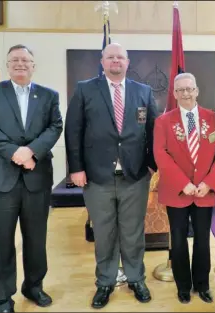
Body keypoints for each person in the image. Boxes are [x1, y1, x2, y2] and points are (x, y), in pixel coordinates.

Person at [64, 42, 158, 309]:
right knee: (104, 233)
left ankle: (135, 278)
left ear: (128, 62)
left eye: (120, 57)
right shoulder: (85, 89)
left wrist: (152, 164)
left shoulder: (144, 91)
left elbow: (152, 129)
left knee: (133, 232)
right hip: (96, 176)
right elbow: (74, 130)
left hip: (135, 175)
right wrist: (76, 168)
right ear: (102, 62)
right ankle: (105, 281)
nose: (115, 61)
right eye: (110, 57)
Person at [0, 44, 63, 313]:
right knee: (0, 241)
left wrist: (32, 151)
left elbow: (55, 126)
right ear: (8, 64)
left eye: (26, 60)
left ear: (34, 65)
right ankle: (2, 297)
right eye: (15, 59)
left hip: (36, 178)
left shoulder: (48, 95)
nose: (20, 63)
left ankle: (33, 286)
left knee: (36, 238)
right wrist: (16, 152)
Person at [154, 73, 215, 304]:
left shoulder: (212, 118)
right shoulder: (163, 121)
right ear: (174, 94)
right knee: (178, 239)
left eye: (189, 89)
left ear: (197, 91)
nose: (186, 93)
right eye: (181, 90)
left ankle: (202, 285)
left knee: (203, 240)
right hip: (177, 192)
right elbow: (160, 155)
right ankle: (183, 286)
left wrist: (208, 183)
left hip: (204, 191)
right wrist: (183, 183)